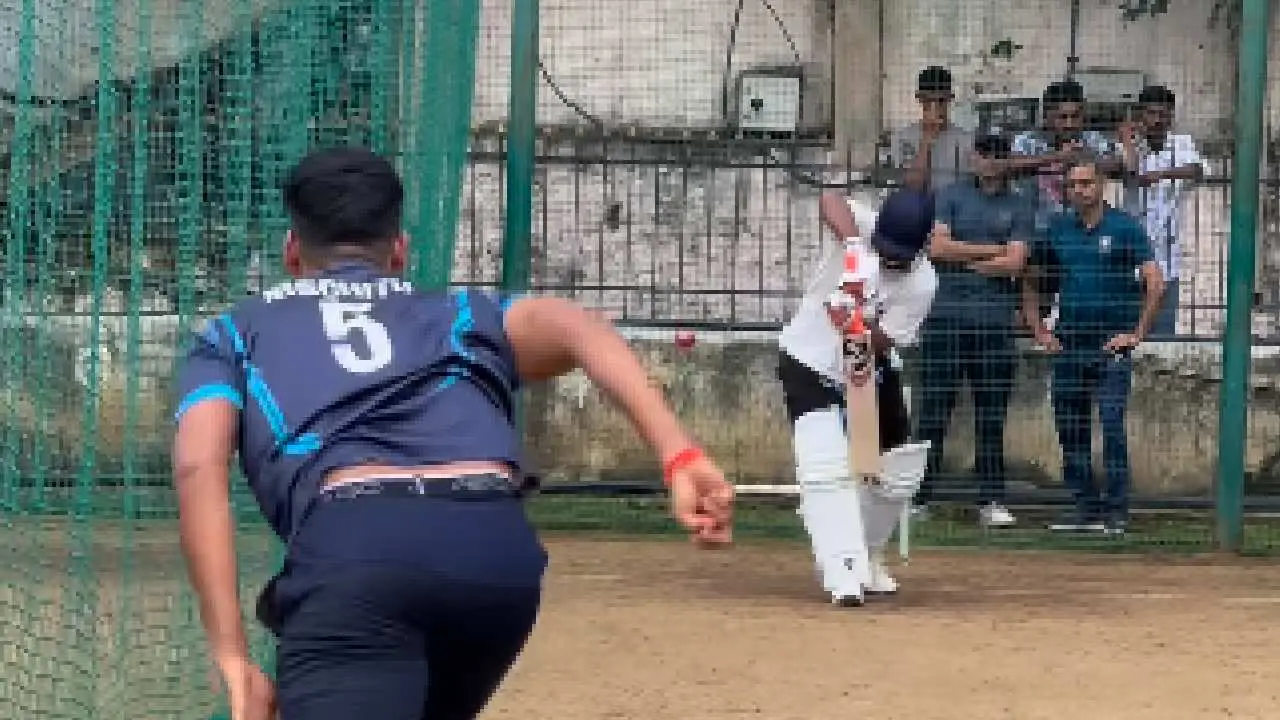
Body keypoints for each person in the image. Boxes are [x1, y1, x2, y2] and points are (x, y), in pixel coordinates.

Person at [170, 147, 735, 720]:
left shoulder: (233, 333)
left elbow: (198, 468)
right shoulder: (461, 313)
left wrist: (232, 657)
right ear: (398, 251)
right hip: (491, 552)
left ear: (293, 252)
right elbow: (574, 325)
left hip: (359, 549)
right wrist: (677, 453)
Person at [777, 188, 936, 607]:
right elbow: (830, 198)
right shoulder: (864, 230)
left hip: (864, 364)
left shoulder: (922, 284)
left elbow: (880, 342)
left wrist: (852, 323)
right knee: (825, 459)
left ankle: (867, 554)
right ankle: (840, 567)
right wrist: (852, 246)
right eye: (884, 252)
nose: (888, 263)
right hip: (807, 360)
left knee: (892, 466)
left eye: (899, 258)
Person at [1020, 158, 1163, 536]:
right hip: (1069, 344)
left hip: (1110, 347)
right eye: (1072, 185)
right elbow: (1032, 280)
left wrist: (1137, 333)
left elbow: (1155, 282)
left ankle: (1116, 511)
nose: (1079, 190)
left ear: (1101, 185)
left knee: (1112, 426)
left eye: (1086, 183)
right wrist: (1040, 331)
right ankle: (1084, 507)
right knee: (1071, 428)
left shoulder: (1125, 228)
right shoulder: (1057, 230)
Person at [914, 134, 1034, 527]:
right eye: (985, 154)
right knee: (932, 414)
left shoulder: (1019, 204)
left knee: (991, 415)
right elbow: (936, 249)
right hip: (944, 319)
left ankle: (991, 502)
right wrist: (990, 252)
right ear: (974, 157)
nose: (992, 162)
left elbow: (1016, 263)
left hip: (994, 323)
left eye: (999, 155)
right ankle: (918, 498)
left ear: (1007, 159)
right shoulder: (949, 195)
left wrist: (966, 253)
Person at [1118, 84, 1207, 337]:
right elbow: (1130, 170)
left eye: (1163, 114)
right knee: (1127, 334)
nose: (1157, 121)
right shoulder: (1130, 145)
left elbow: (1197, 170)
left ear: (1171, 116)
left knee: (1163, 337)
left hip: (1167, 260)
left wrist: (1162, 174)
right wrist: (1128, 141)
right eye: (1151, 113)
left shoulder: (1182, 143)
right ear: (1140, 115)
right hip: (1131, 260)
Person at [1008, 79, 1119, 229]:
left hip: (1083, 231)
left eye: (1075, 117)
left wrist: (1084, 160)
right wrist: (1058, 157)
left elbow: (1116, 166)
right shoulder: (1027, 140)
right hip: (1038, 230)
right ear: (1046, 116)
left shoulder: (1092, 138)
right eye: (1062, 117)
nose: (1069, 124)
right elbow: (1011, 166)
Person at [887, 65, 974, 193]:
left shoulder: (966, 140)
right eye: (929, 101)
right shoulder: (903, 138)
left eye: (940, 101)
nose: (935, 107)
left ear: (949, 100)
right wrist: (926, 141)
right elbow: (912, 185)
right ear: (920, 100)